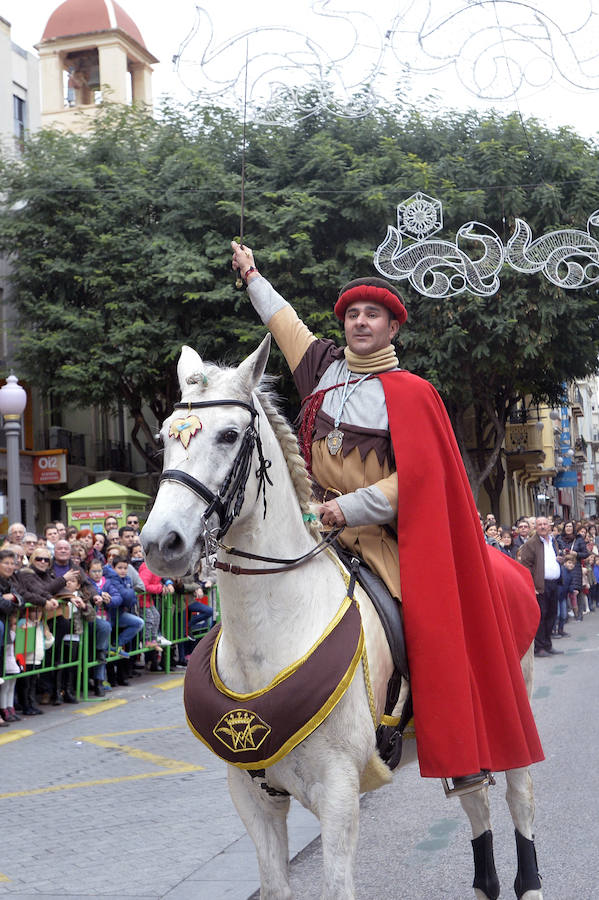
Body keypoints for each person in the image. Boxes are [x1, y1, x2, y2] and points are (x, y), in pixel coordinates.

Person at [231, 240, 543, 785]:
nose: (359, 322)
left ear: (392, 327)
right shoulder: (320, 368)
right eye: (352, 314)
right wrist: (252, 273)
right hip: (311, 529)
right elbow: (284, 322)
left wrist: (344, 510)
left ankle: (439, 727)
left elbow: (415, 480)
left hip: (378, 536)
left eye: (371, 314)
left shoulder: (413, 393)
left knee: (422, 621)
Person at [517, 516, 564, 657]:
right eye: (540, 524)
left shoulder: (553, 540)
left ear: (549, 526)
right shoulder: (531, 544)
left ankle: (548, 644)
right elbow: (525, 566)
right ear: (535, 527)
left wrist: (559, 560)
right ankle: (540, 647)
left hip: (553, 584)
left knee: (552, 615)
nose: (543, 527)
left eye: (545, 524)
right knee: (541, 616)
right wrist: (532, 586)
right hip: (540, 586)